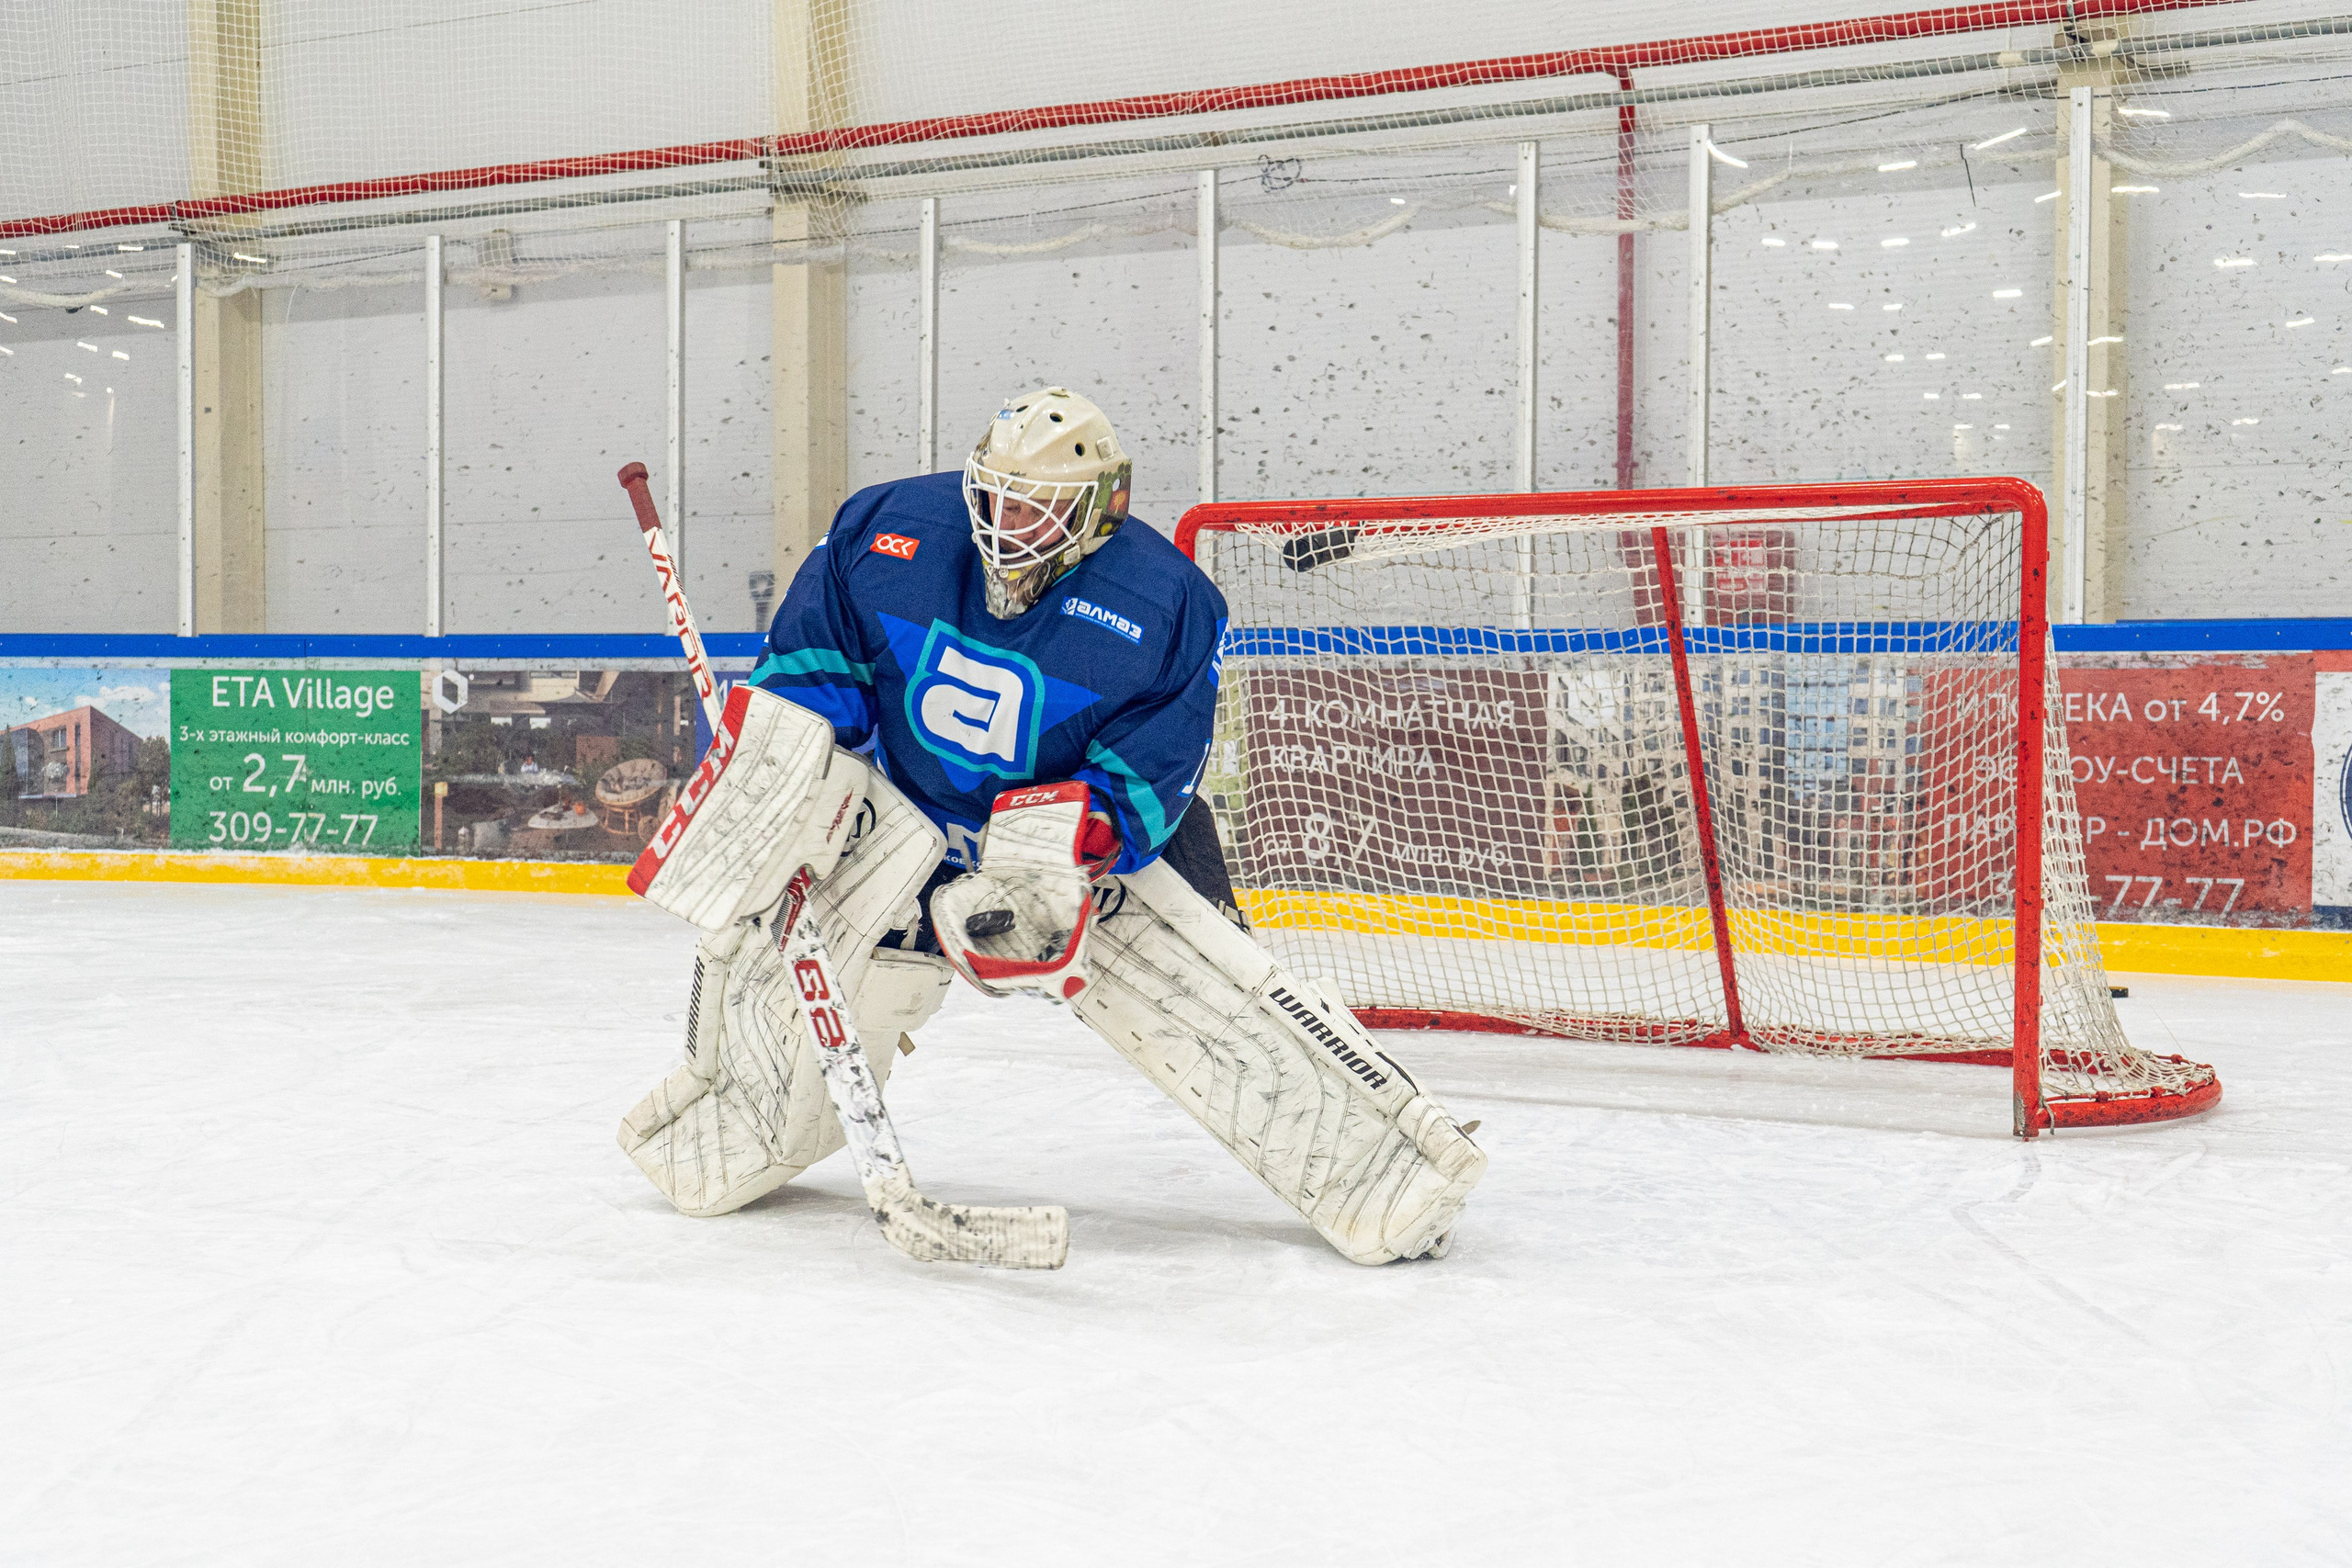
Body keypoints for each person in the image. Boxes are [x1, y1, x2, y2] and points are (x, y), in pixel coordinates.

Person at [615, 388, 1485, 1264]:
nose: (1007, 522)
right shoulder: (888, 526)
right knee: (774, 991)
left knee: (1217, 1005)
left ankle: (1388, 1173)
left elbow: (1151, 767)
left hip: (1077, 838)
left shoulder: (1166, 601)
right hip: (903, 818)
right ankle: (733, 1120)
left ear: (1104, 506)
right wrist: (793, 779)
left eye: (1038, 506)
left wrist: (1071, 850)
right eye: (994, 495)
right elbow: (814, 667)